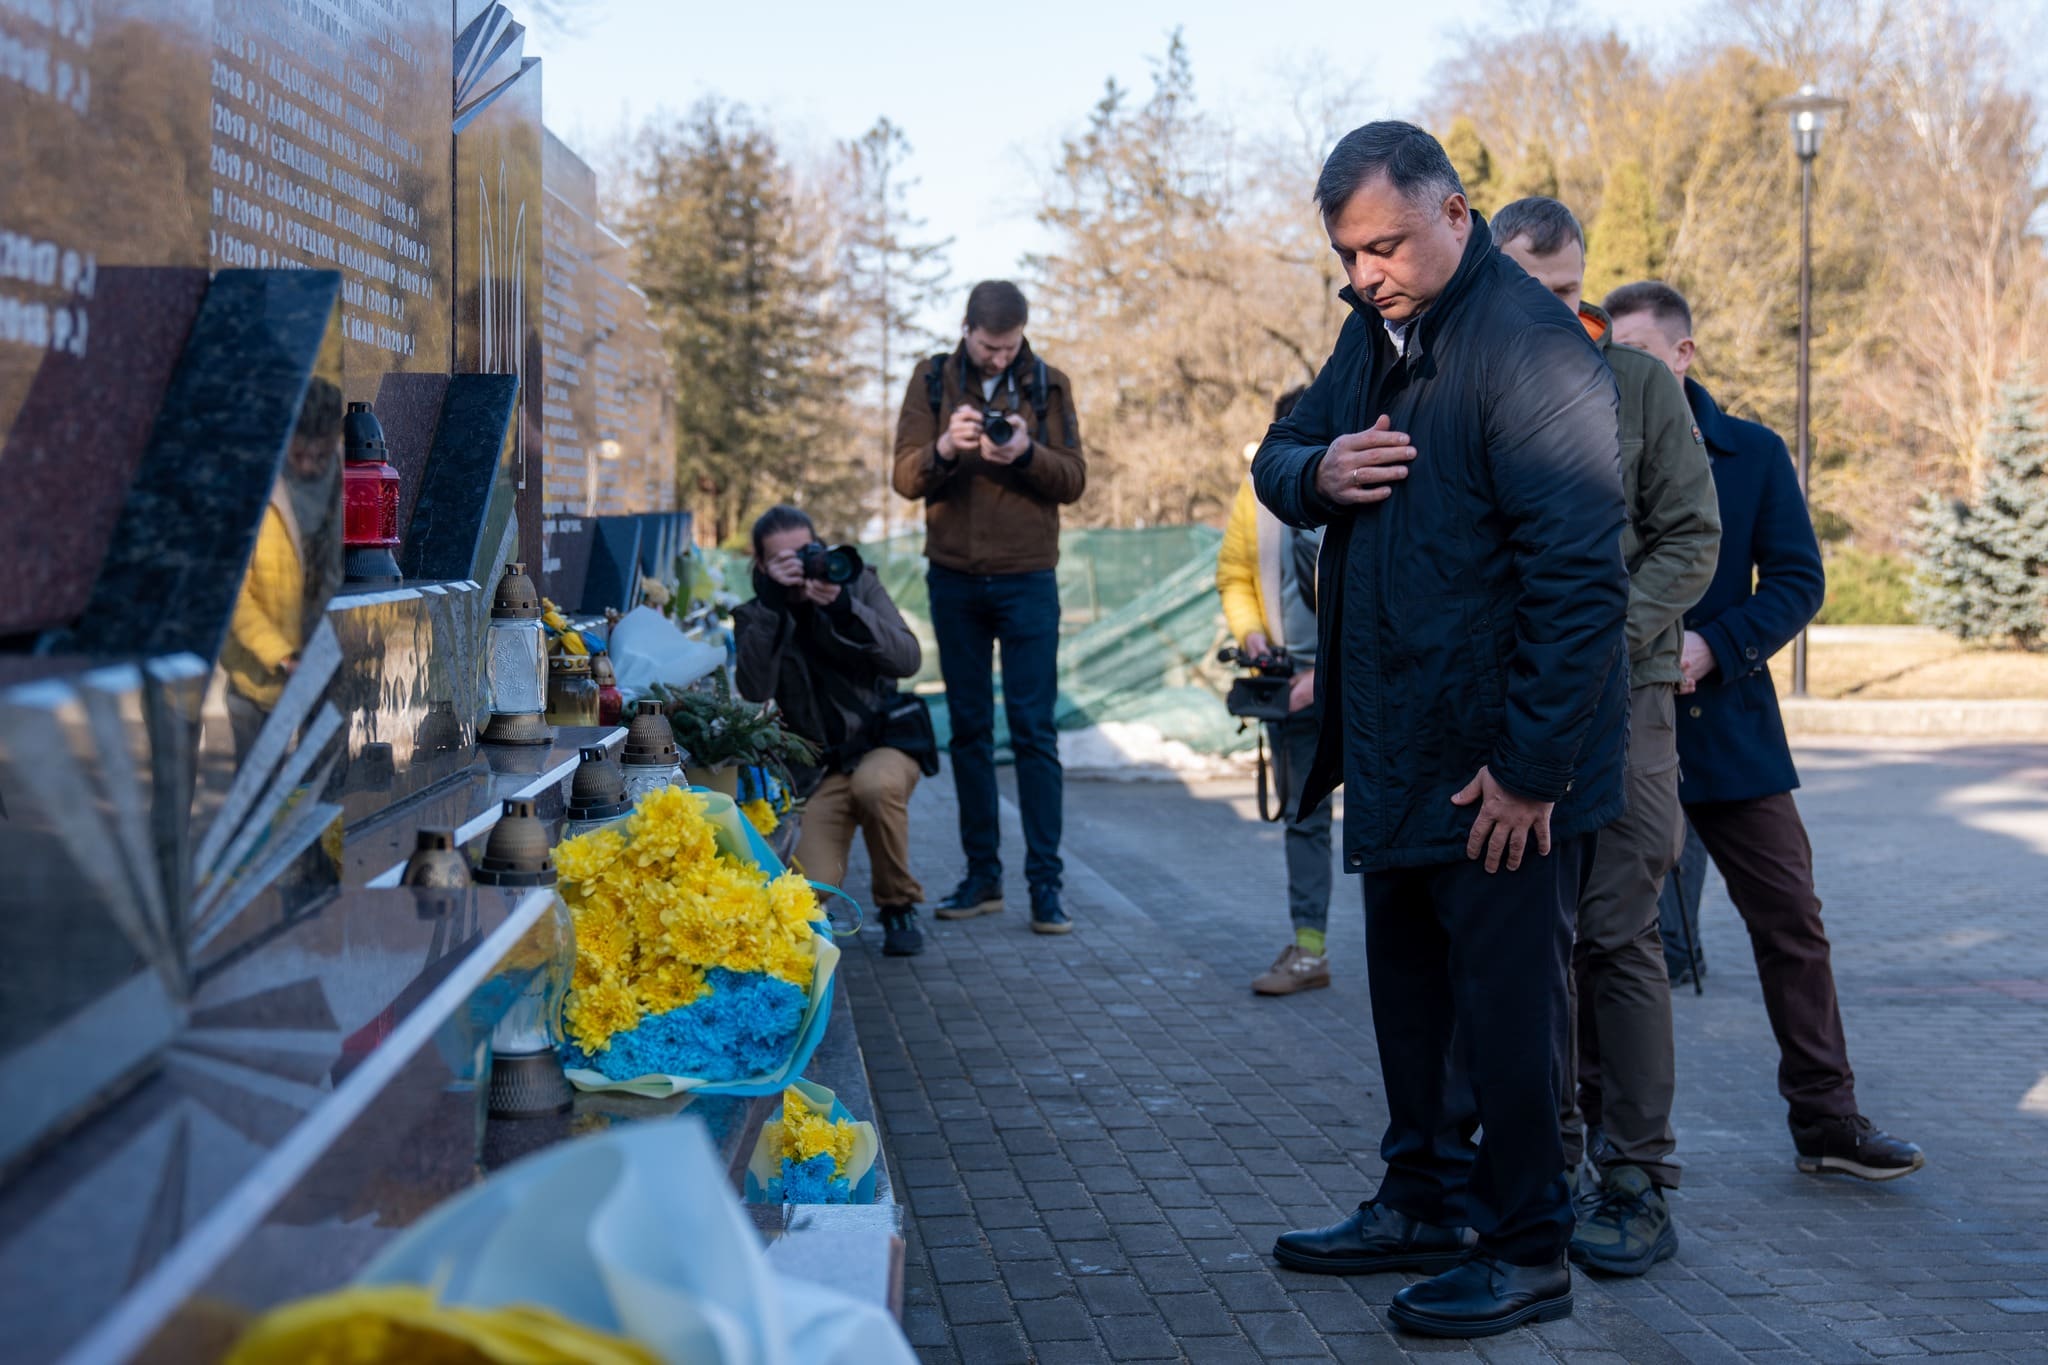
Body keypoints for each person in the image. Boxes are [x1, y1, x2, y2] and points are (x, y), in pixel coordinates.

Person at [1256, 122, 1629, 1339]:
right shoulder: (1372, 335)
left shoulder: (1531, 350)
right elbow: (1277, 452)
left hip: (1498, 771)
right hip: (1398, 745)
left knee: (1509, 1020)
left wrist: (1528, 771)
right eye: (1345, 254)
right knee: (1410, 1003)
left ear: (1454, 213)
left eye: (1384, 246)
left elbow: (1579, 585)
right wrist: (1318, 473)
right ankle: (1419, 1202)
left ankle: (1526, 1249)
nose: (1364, 274)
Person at [1604, 280, 1925, 1182]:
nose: (1620, 368)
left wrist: (1715, 645)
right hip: (1619, 725)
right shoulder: (1583, 439)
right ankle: (1597, 1131)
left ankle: (1827, 1120)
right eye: (1609, 351)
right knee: (1609, 932)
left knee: (1792, 920)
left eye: (1638, 350)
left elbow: (1796, 578)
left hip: (1728, 726)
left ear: (1683, 354)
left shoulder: (1752, 451)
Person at [1495, 197, 1721, 1276]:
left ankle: (1636, 1176)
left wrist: (1601, 634)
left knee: (1617, 933)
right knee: (1522, 941)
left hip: (1625, 698)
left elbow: (1692, 538)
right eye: (1531, 290)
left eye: (1569, 291)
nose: (1555, 310)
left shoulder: (1635, 384)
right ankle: (1543, 1160)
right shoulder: (1459, 388)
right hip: (1505, 707)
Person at [893, 281, 1086, 935]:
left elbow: (1075, 479)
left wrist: (1027, 453)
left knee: (1034, 732)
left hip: (1029, 578)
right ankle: (983, 877)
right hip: (954, 579)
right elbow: (904, 476)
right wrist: (946, 448)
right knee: (969, 732)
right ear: (967, 330)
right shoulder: (931, 381)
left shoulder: (1049, 384)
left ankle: (1046, 885)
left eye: (1009, 346)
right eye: (988, 346)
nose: (1000, 357)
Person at [734, 506, 928, 957]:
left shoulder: (857, 583)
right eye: (783, 559)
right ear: (761, 565)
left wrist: (845, 608)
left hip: (883, 743)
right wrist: (772, 606)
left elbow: (908, 659)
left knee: (875, 787)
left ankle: (898, 904)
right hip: (820, 770)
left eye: (807, 552)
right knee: (810, 888)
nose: (801, 566)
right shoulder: (759, 612)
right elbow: (754, 688)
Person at [1216, 387, 1334, 995]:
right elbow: (1236, 574)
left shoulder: (1371, 478)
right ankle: (1310, 950)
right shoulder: (1257, 492)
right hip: (1289, 684)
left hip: (1365, 682)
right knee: (1303, 819)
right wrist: (1254, 636)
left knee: (1399, 819)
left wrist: (1331, 675)